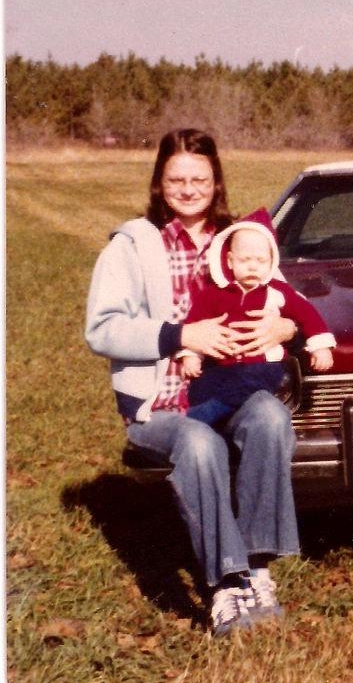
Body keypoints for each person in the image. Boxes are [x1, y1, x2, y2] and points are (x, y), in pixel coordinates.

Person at [85, 128, 303, 637]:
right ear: (159, 184)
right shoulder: (133, 244)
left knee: (271, 416)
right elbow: (102, 328)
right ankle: (225, 583)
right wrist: (182, 333)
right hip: (162, 404)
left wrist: (287, 328)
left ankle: (256, 567)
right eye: (176, 179)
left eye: (198, 178)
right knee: (199, 442)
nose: (188, 188)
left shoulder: (242, 240)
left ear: (216, 181)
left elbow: (289, 303)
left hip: (232, 389)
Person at [180, 208, 335, 426]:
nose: (253, 267)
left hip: (263, 364)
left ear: (271, 262)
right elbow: (196, 323)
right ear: (230, 260)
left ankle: (214, 411)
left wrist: (320, 346)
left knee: (250, 381)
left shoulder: (277, 291)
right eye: (245, 260)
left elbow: (307, 314)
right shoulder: (214, 294)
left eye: (261, 261)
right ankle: (208, 413)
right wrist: (192, 356)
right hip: (223, 365)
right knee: (203, 384)